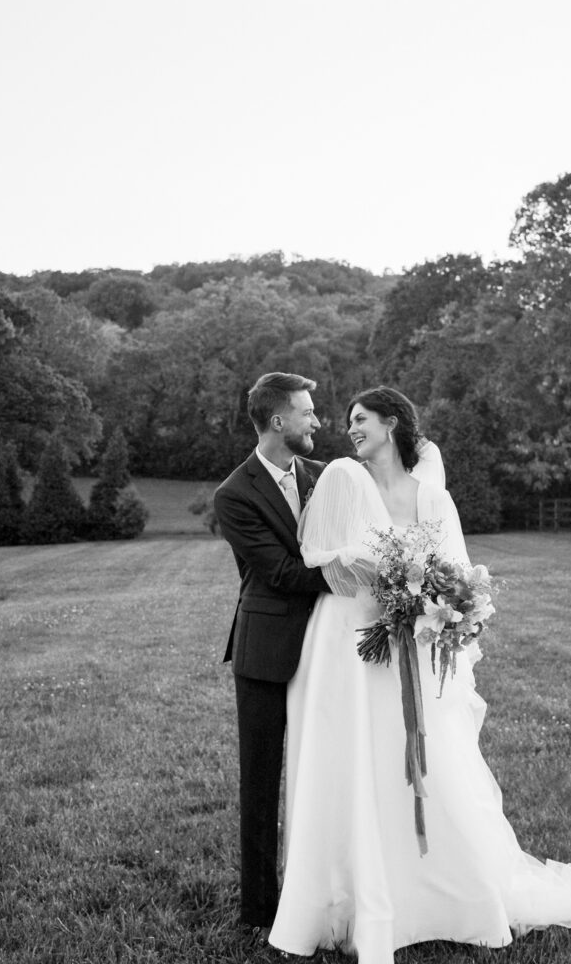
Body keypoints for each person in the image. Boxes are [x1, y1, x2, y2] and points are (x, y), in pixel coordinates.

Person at [269, 386, 571, 962]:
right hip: (348, 643)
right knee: (354, 758)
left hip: (412, 640)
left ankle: (443, 895)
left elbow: (457, 573)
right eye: (348, 421)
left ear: (392, 424)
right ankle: (355, 897)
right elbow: (319, 556)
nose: (351, 429)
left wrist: (444, 606)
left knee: (423, 762)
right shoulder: (341, 477)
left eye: (361, 419)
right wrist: (377, 576)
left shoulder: (434, 499)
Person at [213, 372, 330, 942]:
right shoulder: (234, 494)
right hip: (265, 649)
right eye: (308, 413)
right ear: (279, 420)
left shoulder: (324, 476)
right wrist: (357, 575)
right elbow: (279, 572)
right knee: (261, 781)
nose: (317, 422)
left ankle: (323, 889)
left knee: (326, 773)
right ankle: (260, 907)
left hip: (328, 646)